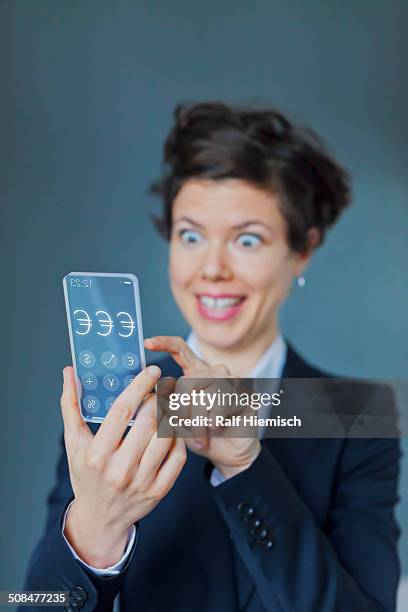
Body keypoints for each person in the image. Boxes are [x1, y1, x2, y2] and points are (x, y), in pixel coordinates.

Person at [21, 102, 401, 611]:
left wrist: (246, 465)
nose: (212, 269)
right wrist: (95, 527)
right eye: (192, 235)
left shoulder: (355, 417)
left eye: (248, 239)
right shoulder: (114, 402)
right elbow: (36, 604)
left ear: (302, 250)